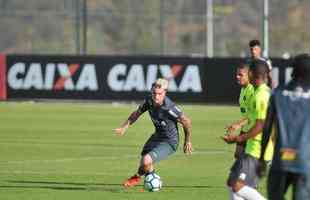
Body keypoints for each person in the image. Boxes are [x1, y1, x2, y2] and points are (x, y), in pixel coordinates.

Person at [114, 78, 193, 188]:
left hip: (170, 141)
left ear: (164, 92)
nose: (156, 96)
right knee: (144, 160)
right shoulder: (149, 100)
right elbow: (137, 113)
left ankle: (139, 178)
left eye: (159, 94)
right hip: (157, 136)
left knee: (146, 160)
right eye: (154, 93)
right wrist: (125, 126)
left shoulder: (170, 108)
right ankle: (150, 177)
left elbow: (187, 122)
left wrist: (187, 141)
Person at [259, 53, 310, 200]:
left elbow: (267, 127)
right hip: (304, 161)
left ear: (293, 71)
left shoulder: (278, 93)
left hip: (281, 160)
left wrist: (261, 158)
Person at [222, 59, 274, 200]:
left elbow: (260, 124)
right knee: (232, 183)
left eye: (242, 74)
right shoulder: (257, 92)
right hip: (252, 145)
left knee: (236, 185)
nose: (238, 77)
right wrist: (239, 126)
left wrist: (238, 138)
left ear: (251, 73)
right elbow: (252, 116)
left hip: (257, 148)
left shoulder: (261, 95)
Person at [226, 63, 254, 159]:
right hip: (246, 128)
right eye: (237, 74)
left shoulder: (253, 90)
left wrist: (238, 125)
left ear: (249, 75)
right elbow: (246, 114)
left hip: (255, 129)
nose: (237, 77)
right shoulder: (243, 89)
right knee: (239, 155)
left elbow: (253, 114)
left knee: (252, 157)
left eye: (240, 75)